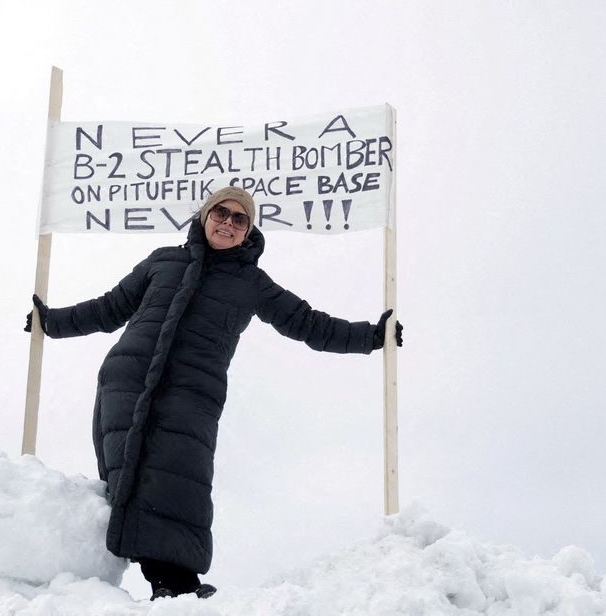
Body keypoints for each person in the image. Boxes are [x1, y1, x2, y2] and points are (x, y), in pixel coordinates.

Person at [24, 186, 402, 600]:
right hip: (127, 381)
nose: (228, 223)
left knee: (180, 481)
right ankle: (166, 584)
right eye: (221, 212)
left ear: (248, 231)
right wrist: (52, 322)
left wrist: (370, 336)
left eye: (240, 219)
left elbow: (307, 323)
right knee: (130, 473)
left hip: (192, 395)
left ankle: (178, 585)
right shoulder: (162, 261)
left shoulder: (252, 283)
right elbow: (110, 307)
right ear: (205, 216)